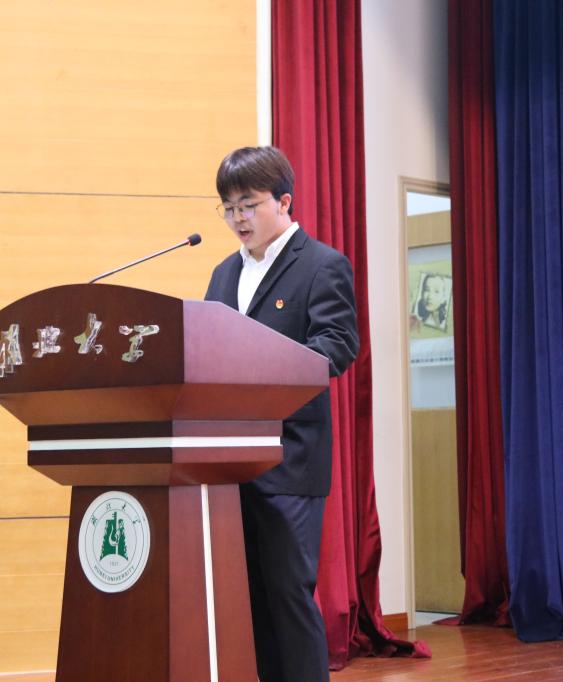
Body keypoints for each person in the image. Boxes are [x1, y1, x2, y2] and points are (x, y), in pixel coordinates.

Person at [204, 146, 359, 682]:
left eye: (248, 204)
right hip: (228, 462)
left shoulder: (321, 265)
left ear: (284, 201)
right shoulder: (223, 274)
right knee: (247, 598)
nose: (238, 218)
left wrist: (261, 368)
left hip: (289, 460)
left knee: (288, 595)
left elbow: (336, 346)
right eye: (228, 208)